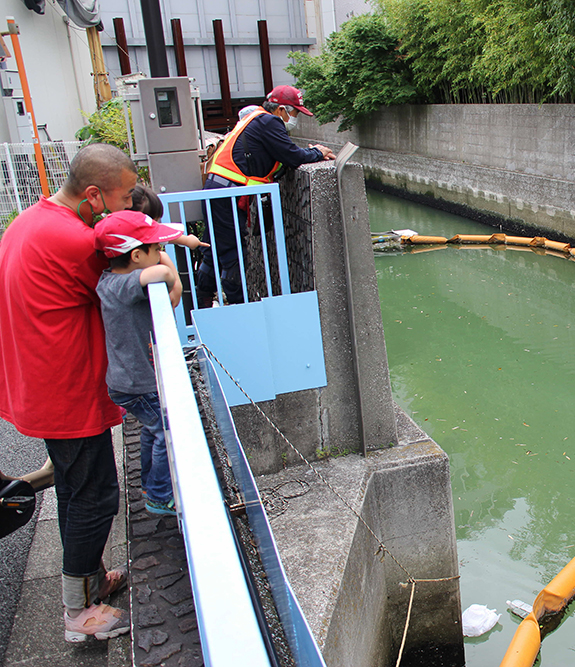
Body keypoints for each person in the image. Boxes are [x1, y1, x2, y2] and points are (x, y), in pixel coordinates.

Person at [0, 142, 137, 642]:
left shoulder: (32, 221)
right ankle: (78, 616)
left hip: (38, 377)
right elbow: (121, 289)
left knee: (77, 487)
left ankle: (92, 579)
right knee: (94, 496)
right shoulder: (74, 241)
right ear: (94, 195)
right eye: (123, 198)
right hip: (64, 388)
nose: (126, 208)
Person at [94, 209, 206, 517]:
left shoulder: (112, 279)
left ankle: (149, 483)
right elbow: (160, 275)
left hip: (130, 381)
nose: (161, 254)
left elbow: (158, 278)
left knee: (151, 428)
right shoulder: (122, 286)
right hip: (138, 383)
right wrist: (171, 275)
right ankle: (159, 495)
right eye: (156, 249)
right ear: (136, 256)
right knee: (166, 430)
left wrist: (164, 258)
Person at [196, 84, 335, 307]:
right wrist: (318, 152)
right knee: (234, 255)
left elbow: (274, 159)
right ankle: (240, 310)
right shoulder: (269, 121)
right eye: (295, 112)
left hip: (218, 192)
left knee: (214, 250)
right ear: (281, 109)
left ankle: (201, 303)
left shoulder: (255, 120)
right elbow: (291, 155)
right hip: (226, 196)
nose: (295, 117)